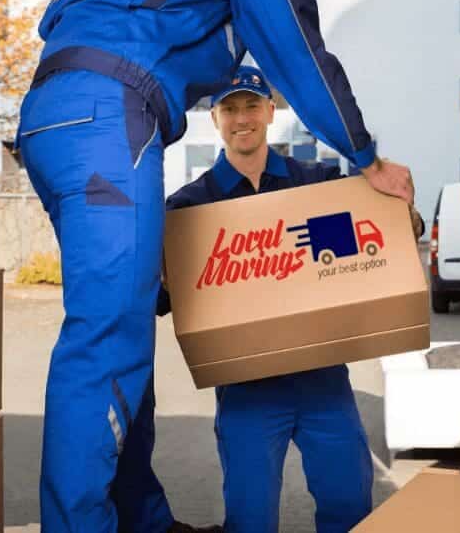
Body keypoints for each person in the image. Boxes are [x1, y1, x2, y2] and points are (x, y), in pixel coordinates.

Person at [14, 0, 415, 533]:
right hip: (111, 116)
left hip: (47, 119)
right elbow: (299, 52)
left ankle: (140, 518)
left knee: (121, 322)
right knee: (105, 337)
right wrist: (364, 156)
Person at [158, 67, 424, 532]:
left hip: (322, 380)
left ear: (270, 113)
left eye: (252, 107)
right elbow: (162, 298)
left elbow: (372, 235)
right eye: (230, 109)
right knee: (250, 519)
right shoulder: (190, 208)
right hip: (247, 390)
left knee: (350, 506)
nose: (242, 119)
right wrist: (156, 272)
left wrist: (406, 219)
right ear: (215, 118)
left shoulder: (316, 185)